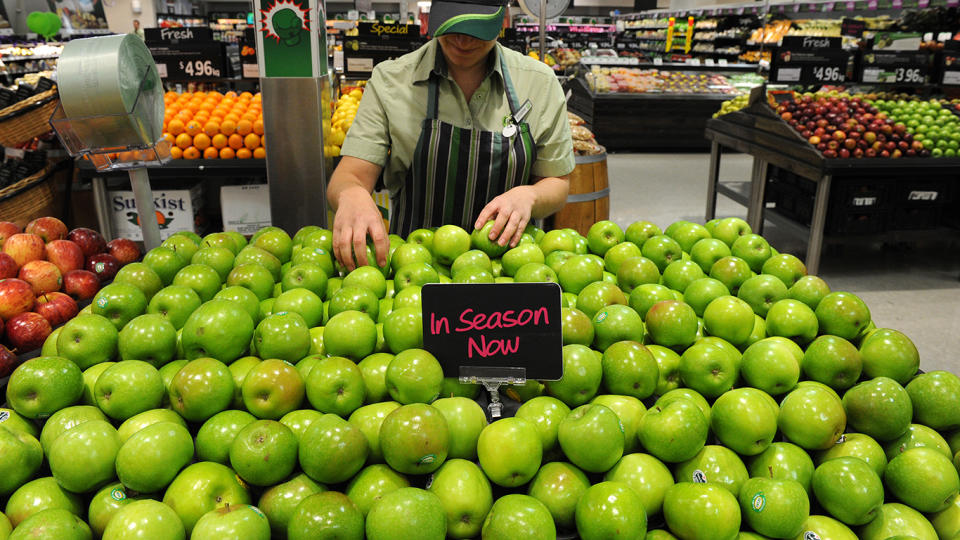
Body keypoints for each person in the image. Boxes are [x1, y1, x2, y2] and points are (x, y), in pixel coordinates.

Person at [327, 0, 575, 271]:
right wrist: (351, 195)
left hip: (509, 269)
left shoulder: (539, 83)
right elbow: (350, 175)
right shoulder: (391, 81)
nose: (462, 40)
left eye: (476, 28)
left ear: (502, 18)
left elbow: (557, 181)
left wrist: (530, 196)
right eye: (452, 24)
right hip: (414, 268)